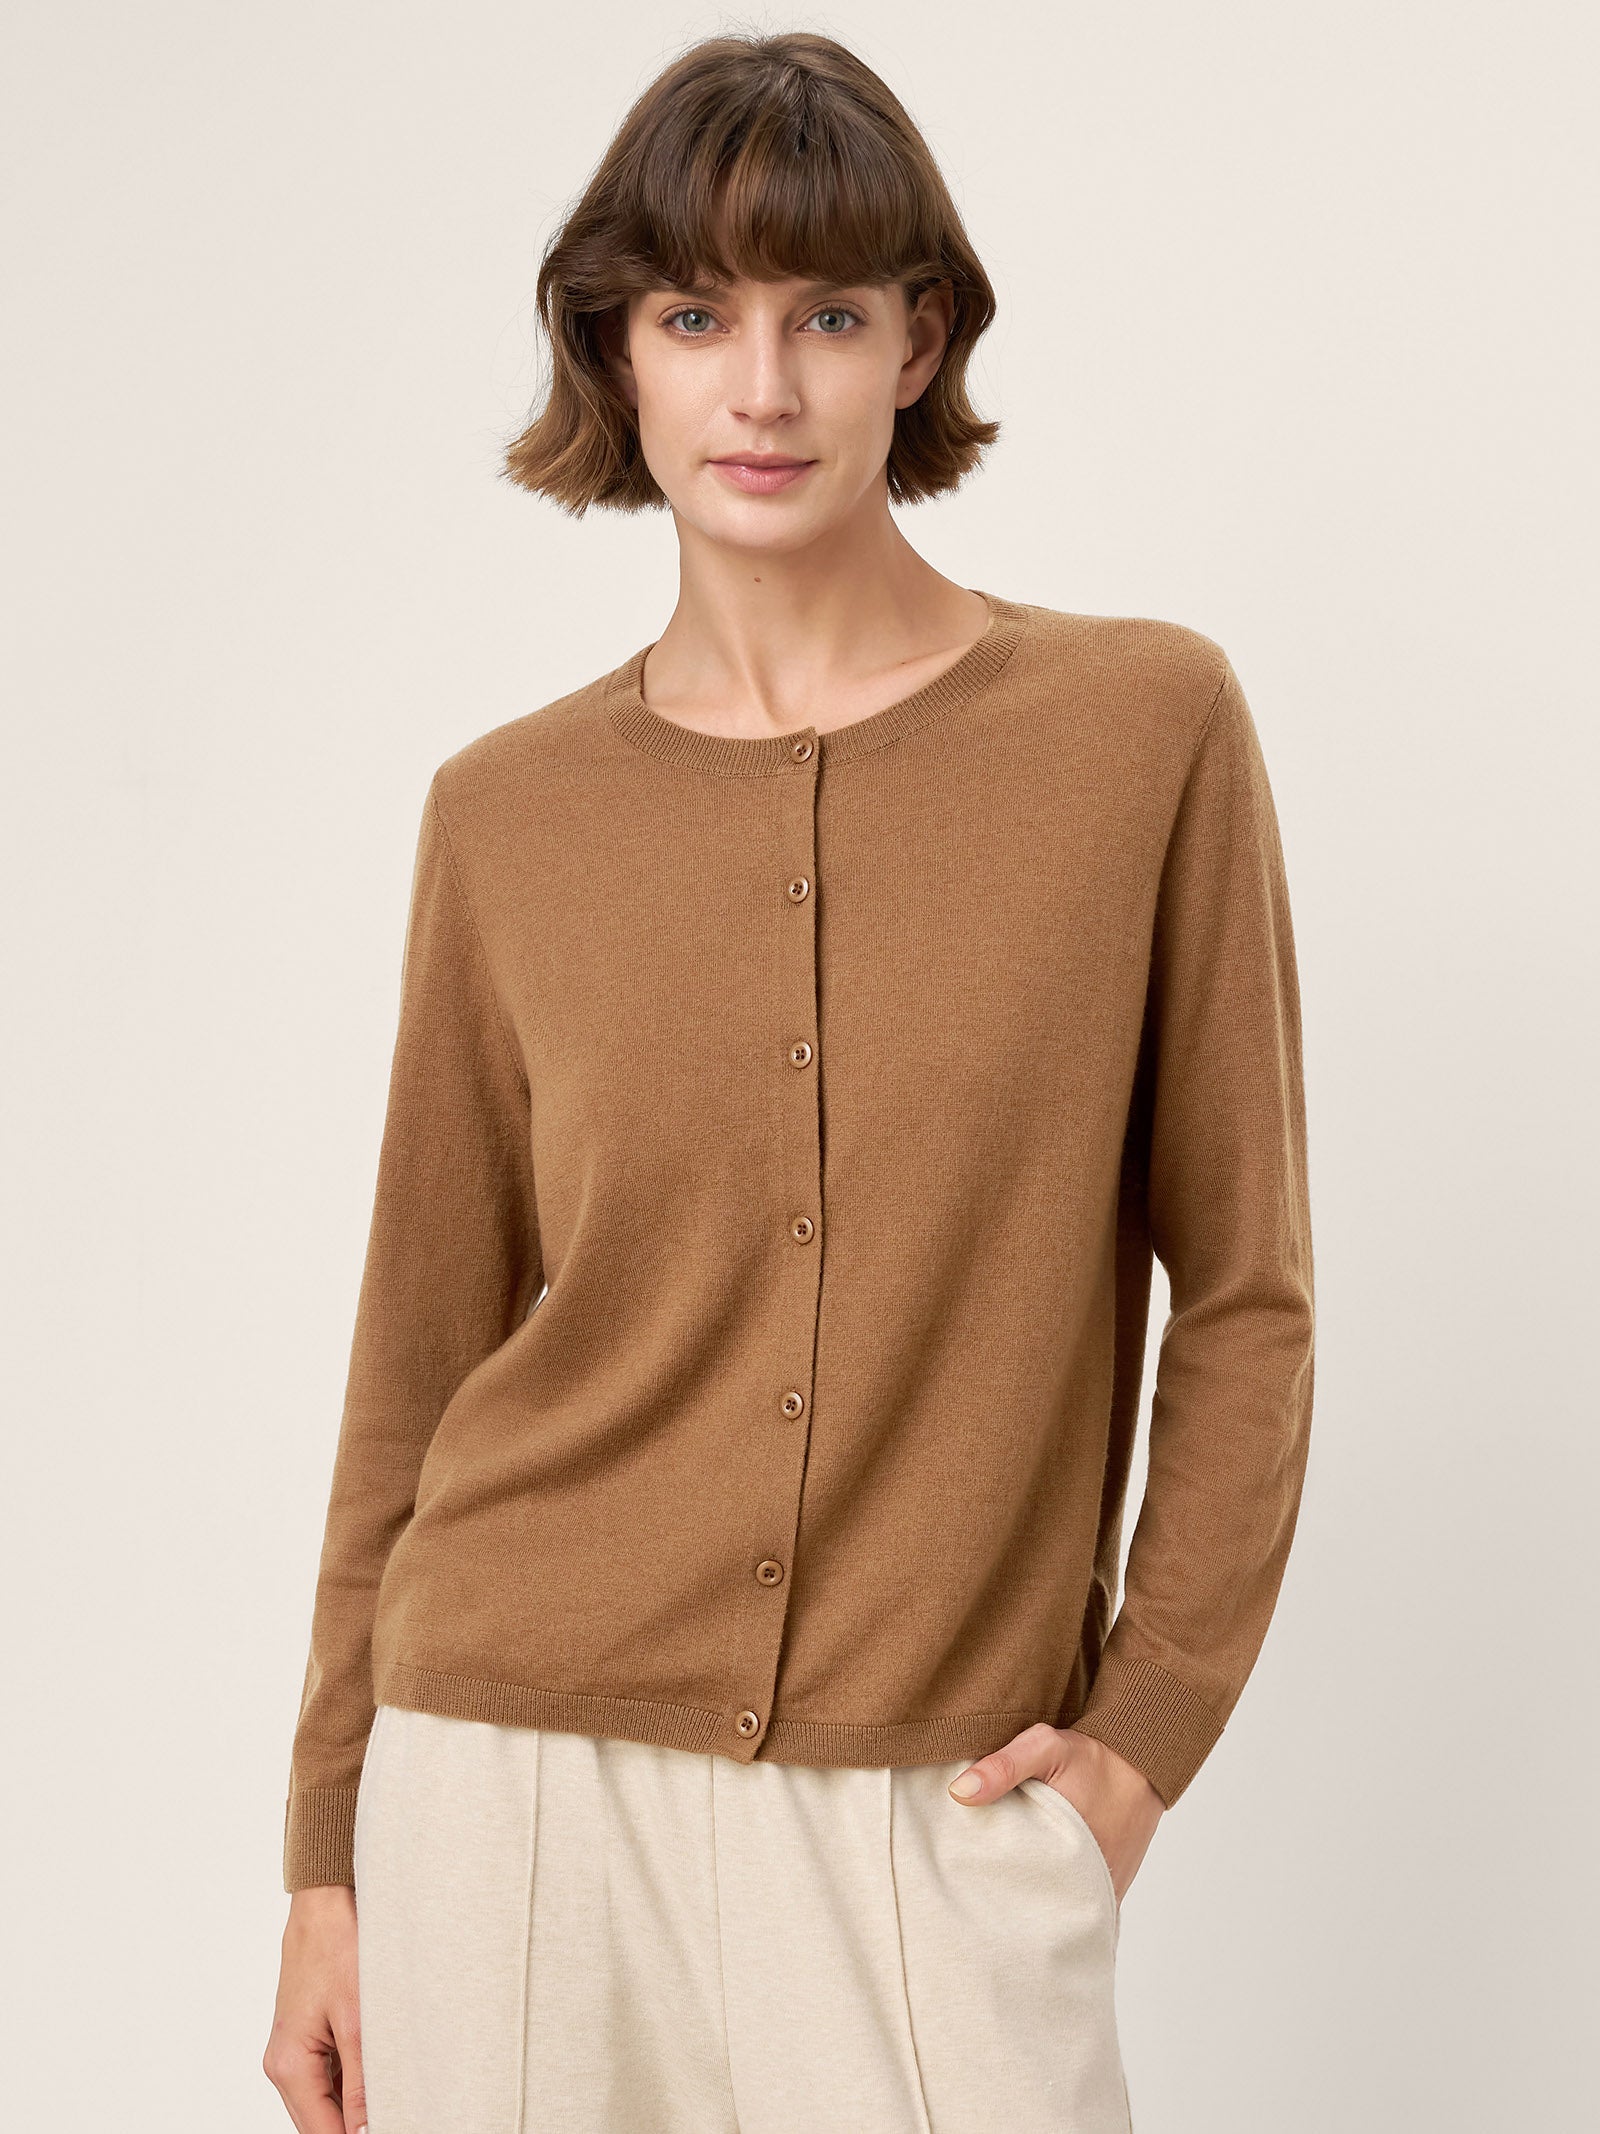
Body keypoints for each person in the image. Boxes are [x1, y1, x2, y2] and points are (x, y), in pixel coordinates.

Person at [263, 29, 1315, 2134]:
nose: (761, 389)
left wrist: (1139, 1738)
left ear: (918, 342)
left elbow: (1248, 1294)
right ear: (614, 354)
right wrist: (326, 1853)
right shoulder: (506, 813)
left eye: (825, 315)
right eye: (693, 318)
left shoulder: (1142, 732)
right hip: (509, 1792)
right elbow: (418, 1351)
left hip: (936, 1793)